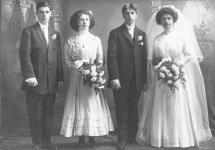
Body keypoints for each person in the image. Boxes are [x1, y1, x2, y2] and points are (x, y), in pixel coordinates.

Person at [136, 5, 212, 148]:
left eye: (169, 18)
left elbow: (190, 55)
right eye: (163, 19)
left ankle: (181, 138)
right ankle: (162, 137)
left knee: (178, 106)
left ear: (173, 20)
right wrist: (160, 68)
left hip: (178, 76)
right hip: (161, 79)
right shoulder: (157, 39)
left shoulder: (181, 37)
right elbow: (153, 60)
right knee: (162, 106)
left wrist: (178, 65)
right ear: (160, 21)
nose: (166, 21)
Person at [60, 10, 114, 144]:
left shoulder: (95, 40)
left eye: (87, 19)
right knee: (79, 103)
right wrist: (76, 67)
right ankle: (80, 134)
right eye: (81, 19)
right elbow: (66, 58)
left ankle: (91, 135)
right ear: (76, 23)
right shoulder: (71, 41)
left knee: (90, 104)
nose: (84, 22)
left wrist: (93, 71)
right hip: (77, 77)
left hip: (92, 78)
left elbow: (101, 59)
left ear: (90, 22)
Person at [19, 1, 64, 150]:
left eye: (47, 12)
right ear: (36, 13)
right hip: (35, 81)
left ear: (51, 14)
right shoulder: (29, 32)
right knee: (35, 113)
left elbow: (58, 58)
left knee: (48, 114)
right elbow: (25, 56)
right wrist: (29, 76)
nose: (44, 15)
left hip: (51, 81)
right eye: (41, 12)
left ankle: (46, 142)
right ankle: (36, 143)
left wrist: (61, 78)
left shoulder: (55, 34)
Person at [107, 3, 147, 150]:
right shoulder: (115, 33)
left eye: (132, 13)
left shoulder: (142, 34)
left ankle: (132, 136)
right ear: (123, 15)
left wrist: (144, 81)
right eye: (127, 13)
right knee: (121, 108)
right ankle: (122, 138)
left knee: (134, 108)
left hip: (136, 79)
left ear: (136, 15)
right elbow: (111, 57)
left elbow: (143, 59)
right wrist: (114, 77)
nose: (130, 16)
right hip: (120, 79)